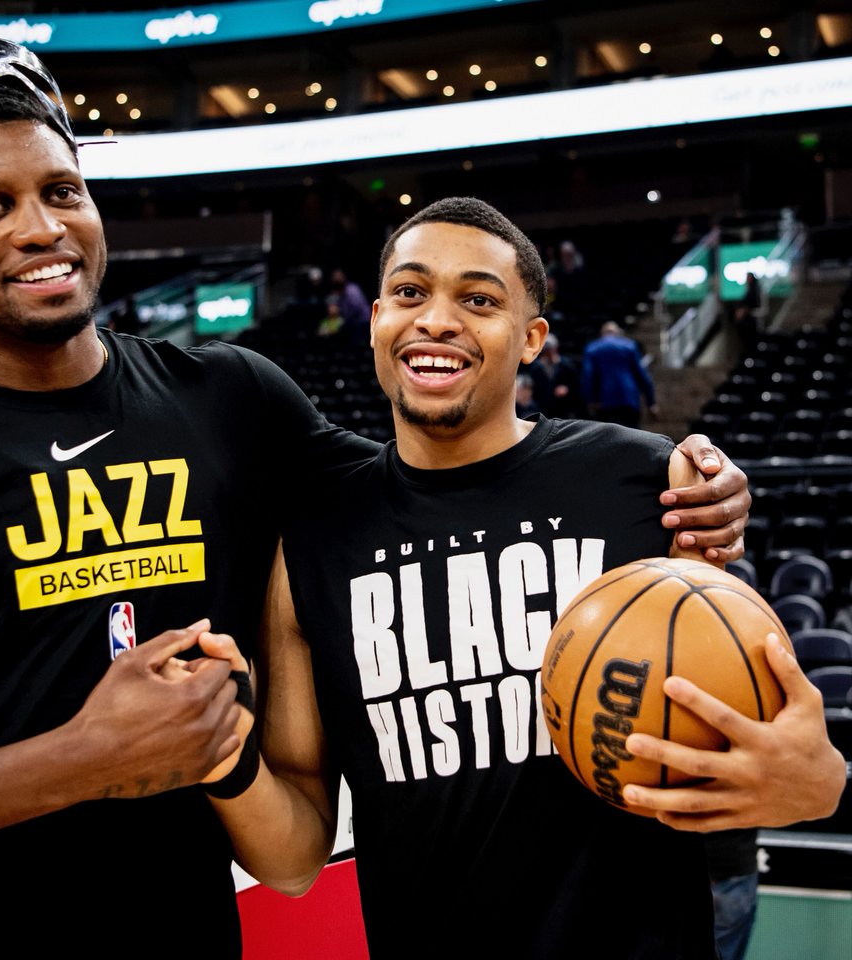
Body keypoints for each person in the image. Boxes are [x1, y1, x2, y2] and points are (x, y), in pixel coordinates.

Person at [0, 43, 752, 956]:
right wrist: (74, 762)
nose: (40, 228)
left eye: (61, 191)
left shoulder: (231, 402)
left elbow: (436, 487)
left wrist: (684, 480)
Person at [203, 198, 844, 958]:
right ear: (375, 318)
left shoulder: (646, 481)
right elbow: (295, 859)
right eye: (410, 292)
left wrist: (817, 783)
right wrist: (224, 758)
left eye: (478, 299)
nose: (436, 319)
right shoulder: (312, 540)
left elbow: (767, 734)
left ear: (533, 338)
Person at [582, 320, 659, 426]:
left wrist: (590, 400)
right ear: (617, 333)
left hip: (604, 402)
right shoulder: (629, 346)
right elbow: (642, 375)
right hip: (629, 400)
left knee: (607, 439)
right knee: (632, 438)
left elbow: (588, 376)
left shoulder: (592, 348)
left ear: (602, 333)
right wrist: (651, 402)